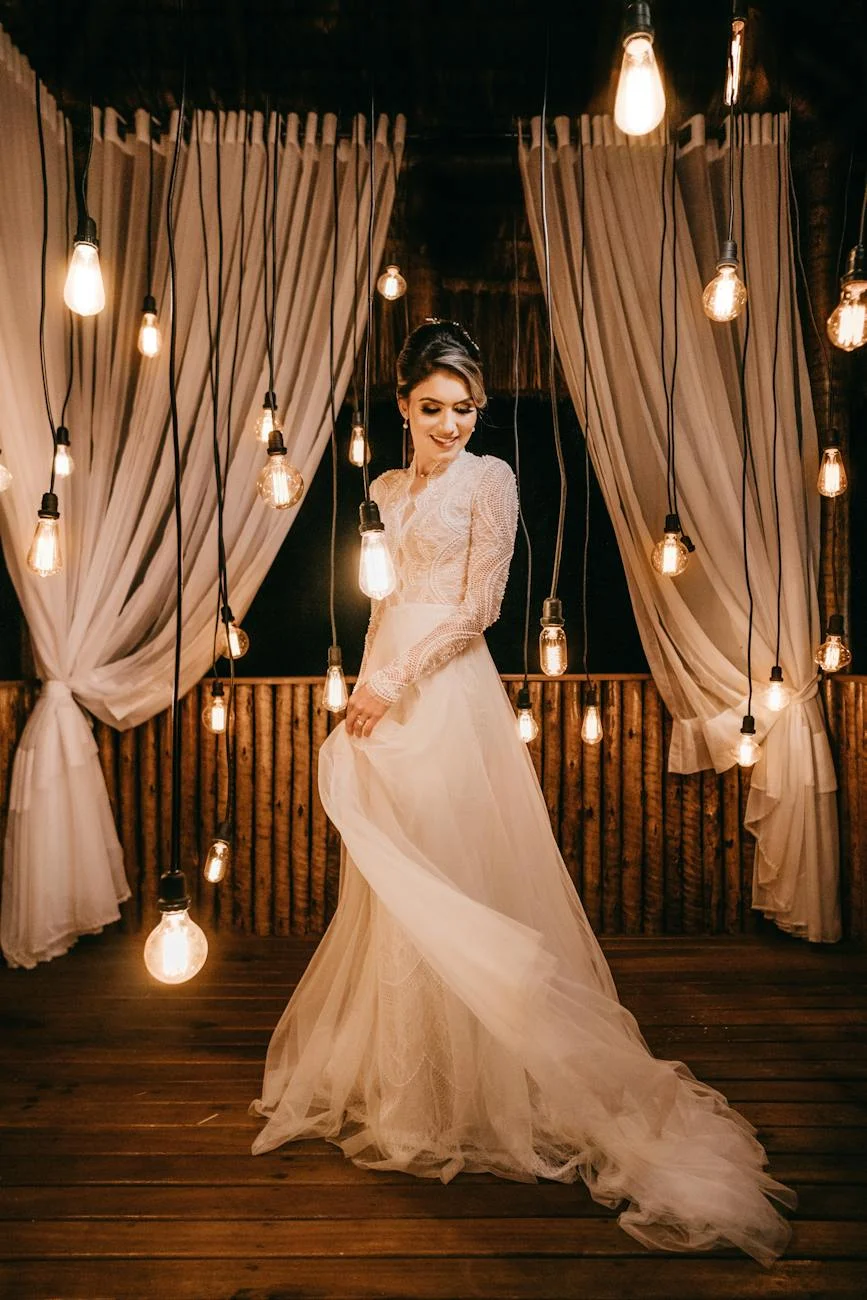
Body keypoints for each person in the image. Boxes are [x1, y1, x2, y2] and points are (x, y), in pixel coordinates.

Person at [250, 319, 795, 1264]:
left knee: (456, 872)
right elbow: (384, 591)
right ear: (402, 408)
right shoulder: (382, 486)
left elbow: (481, 607)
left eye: (465, 409)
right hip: (385, 678)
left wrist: (396, 679)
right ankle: (409, 1082)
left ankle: (489, 1083)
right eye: (433, 409)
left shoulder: (491, 480)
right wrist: (369, 679)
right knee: (392, 883)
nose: (452, 425)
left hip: (443, 690)